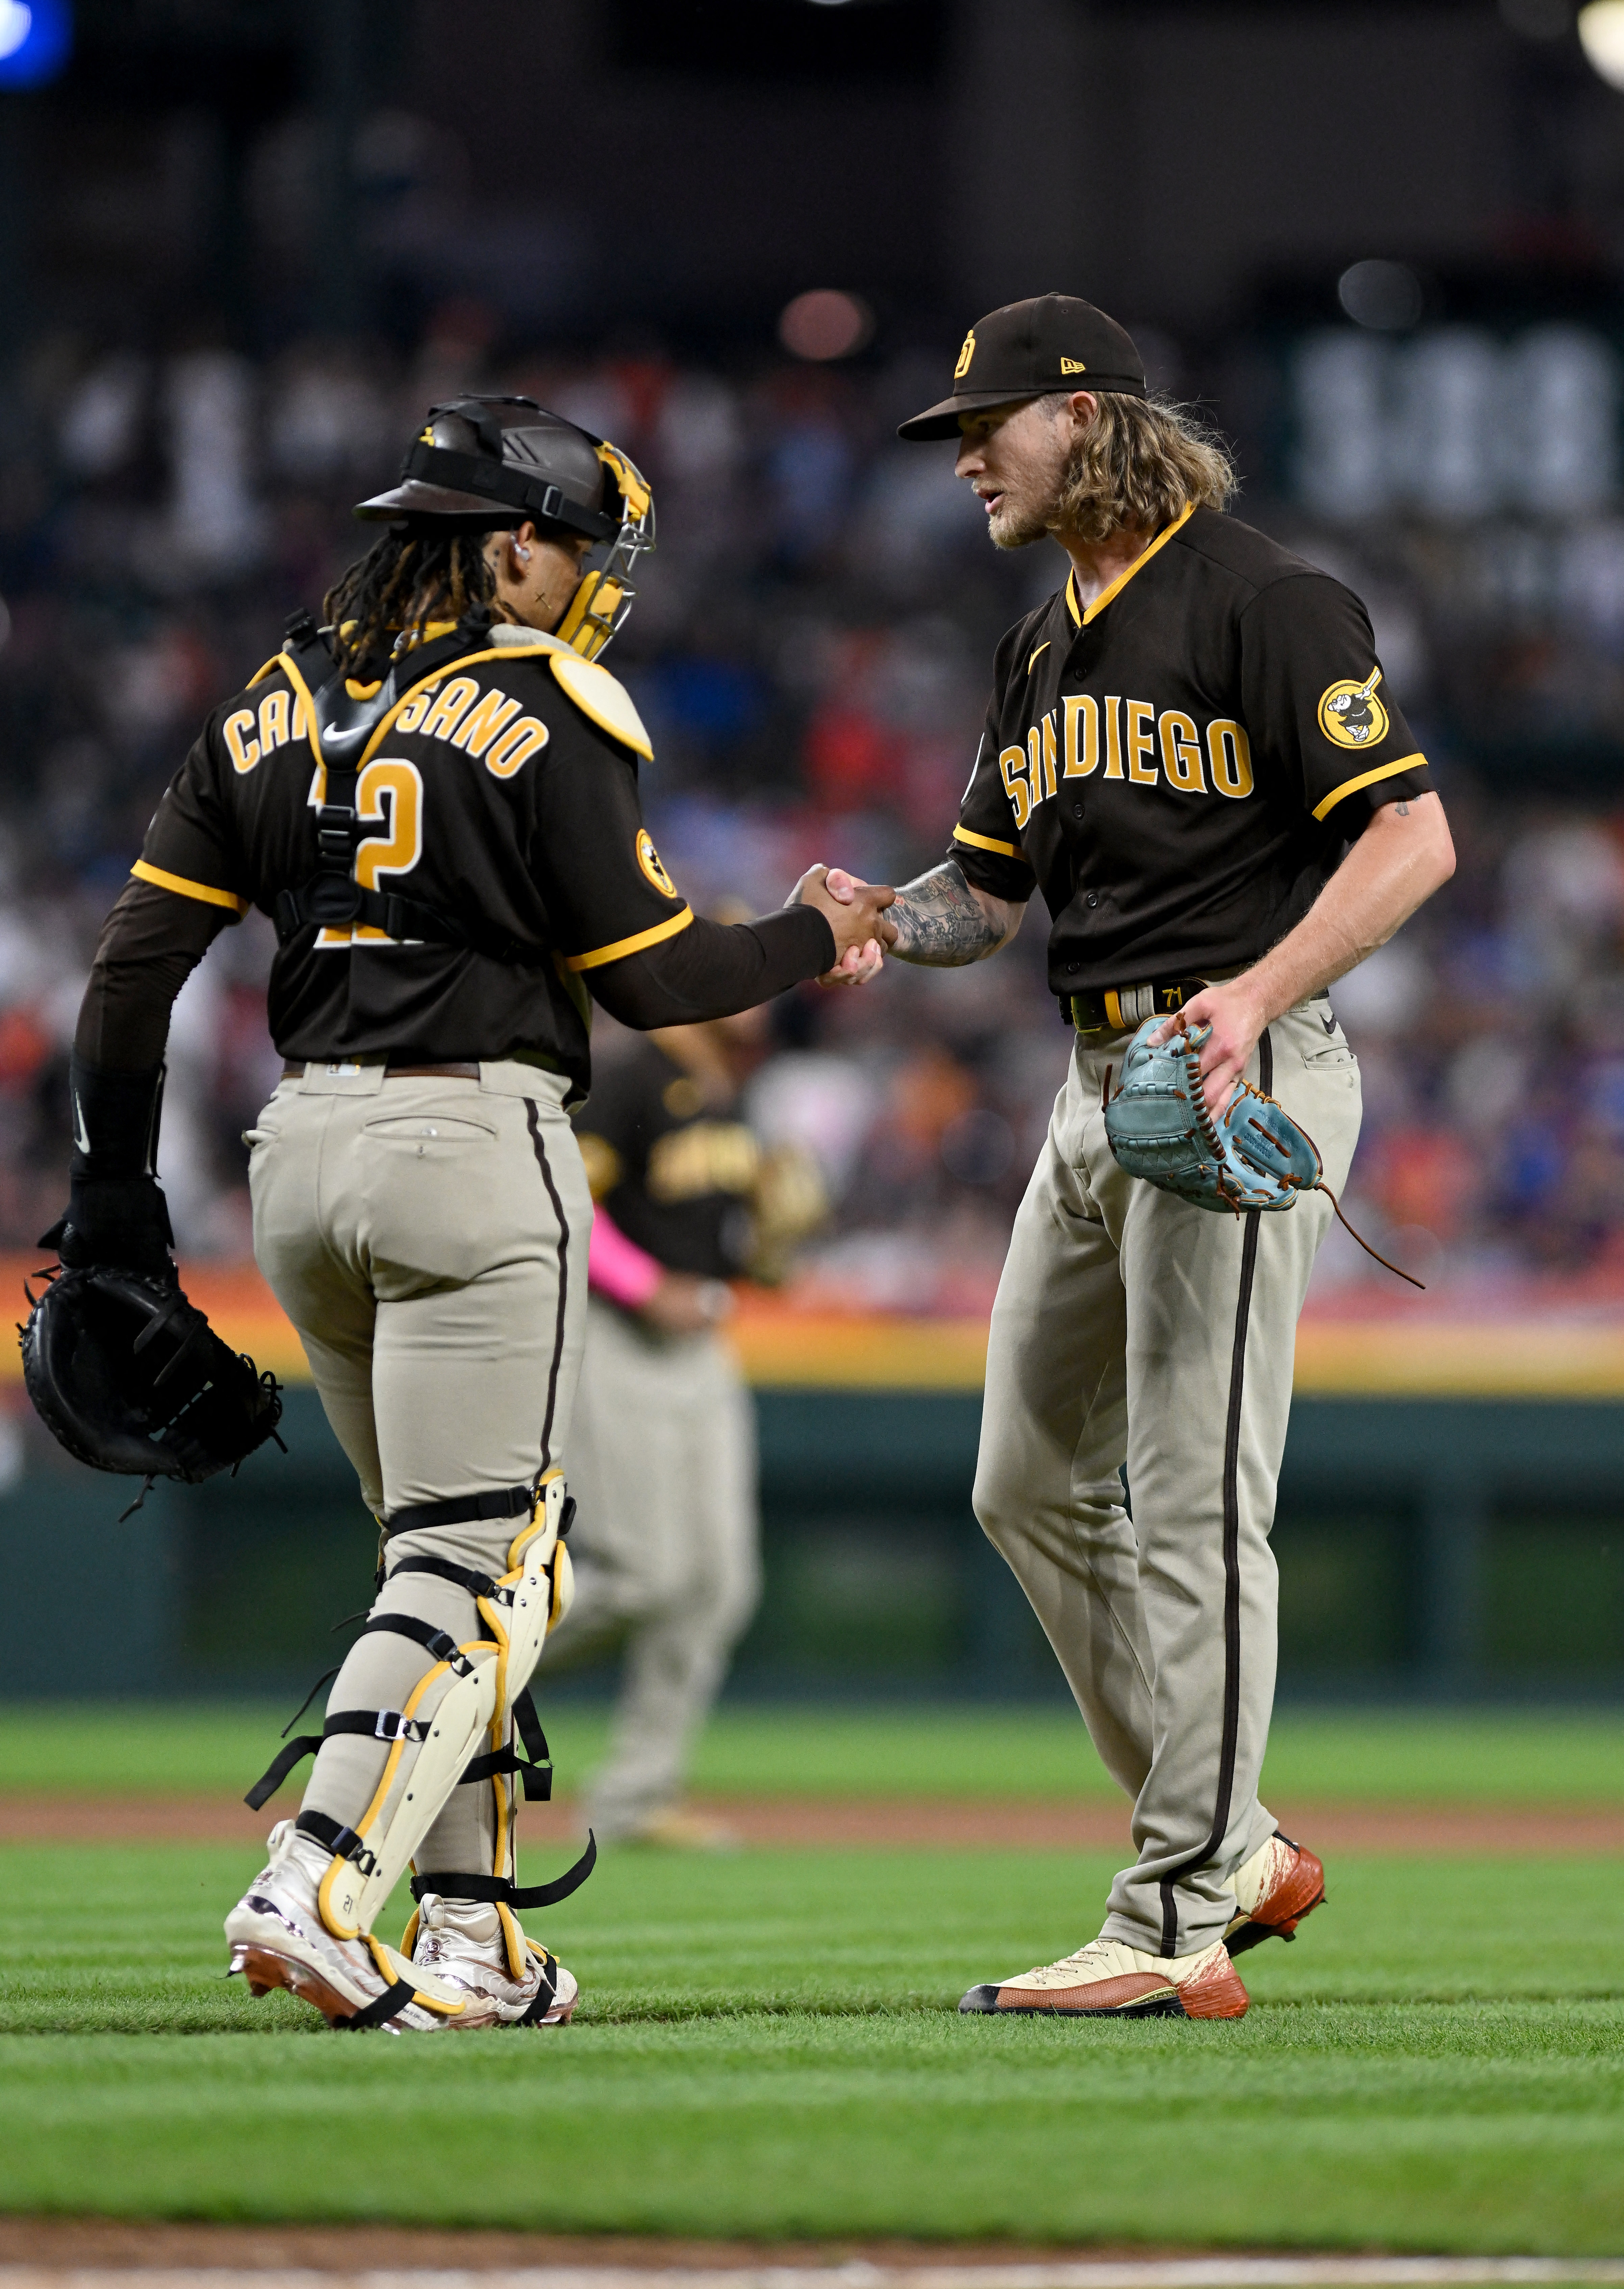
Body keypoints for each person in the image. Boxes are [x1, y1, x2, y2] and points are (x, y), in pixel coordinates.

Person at [49, 394, 893, 2031]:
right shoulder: (543, 700)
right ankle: (311, 1875)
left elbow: (129, 982)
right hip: (472, 1147)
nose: (594, 587)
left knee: (434, 1571)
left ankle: (478, 1941)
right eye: (579, 551)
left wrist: (109, 1204)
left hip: (297, 1156)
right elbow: (658, 979)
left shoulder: (271, 701)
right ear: (508, 543)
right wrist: (803, 936)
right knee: (496, 1567)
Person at [824, 295, 1455, 2020]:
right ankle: (1233, 1841)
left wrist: (1256, 992)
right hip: (1098, 1089)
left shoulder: (1265, 598)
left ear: (1086, 417)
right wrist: (890, 915)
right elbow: (990, 895)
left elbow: (1413, 833)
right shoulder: (1041, 645)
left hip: (1235, 1071)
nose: (962, 458)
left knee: (1193, 1500)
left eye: (989, 426)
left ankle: (1174, 1906)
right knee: (1023, 1482)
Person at [539, 1001, 823, 1846]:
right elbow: (564, 1205)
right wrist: (640, 1286)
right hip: (614, 1336)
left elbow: (732, 1253)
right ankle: (442, 1675)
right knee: (643, 1576)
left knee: (717, 1585)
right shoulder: (625, 1074)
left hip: (702, 1345)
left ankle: (634, 1798)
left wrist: (773, 1246)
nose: (764, 998)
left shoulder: (728, 1092)